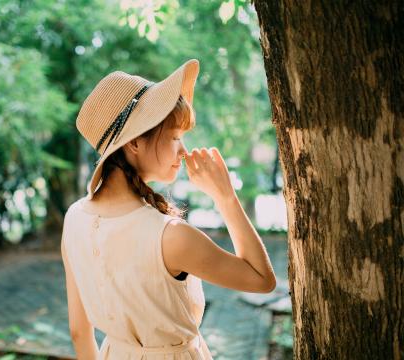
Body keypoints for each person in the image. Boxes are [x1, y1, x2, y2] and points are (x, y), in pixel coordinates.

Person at [61, 58, 277, 359]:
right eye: (175, 137)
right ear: (134, 142)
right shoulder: (170, 236)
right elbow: (262, 280)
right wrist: (225, 197)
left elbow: (78, 331)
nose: (184, 151)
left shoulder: (74, 218)